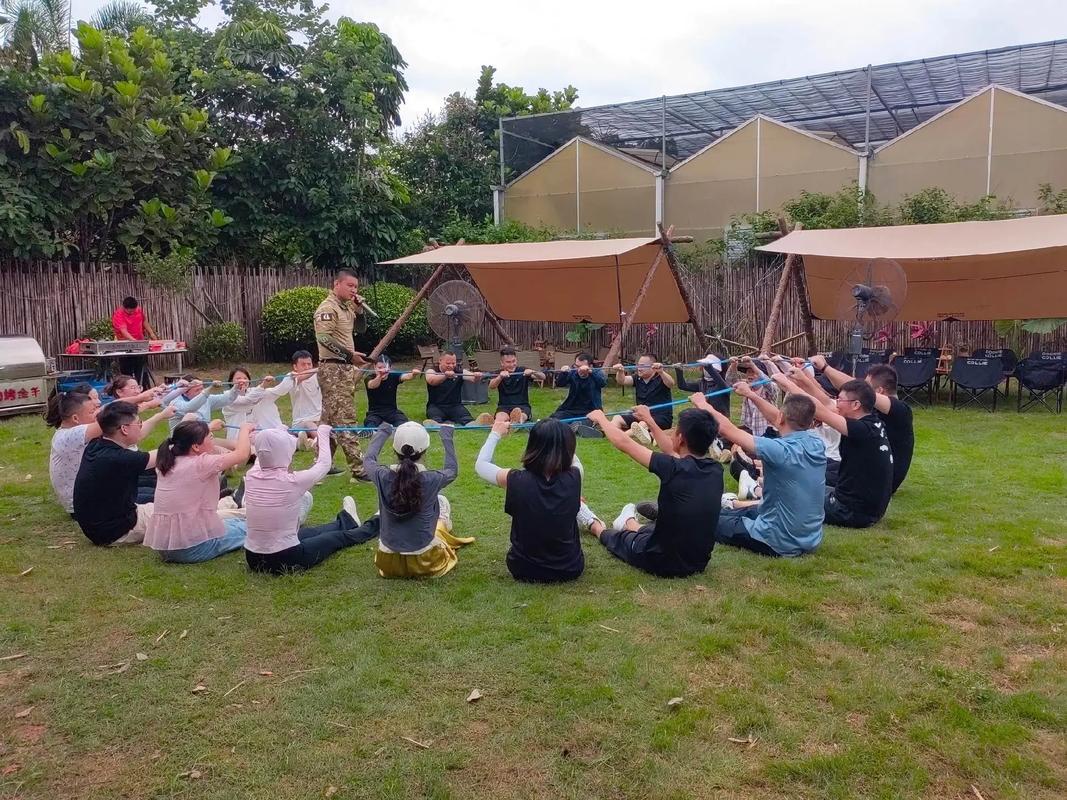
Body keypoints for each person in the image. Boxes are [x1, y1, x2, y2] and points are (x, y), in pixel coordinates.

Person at [578, 405, 723, 578]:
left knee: (619, 539)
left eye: (675, 431)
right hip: (699, 561)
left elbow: (623, 443)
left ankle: (598, 527)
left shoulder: (672, 467)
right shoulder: (716, 470)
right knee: (653, 530)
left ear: (681, 438)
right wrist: (649, 421)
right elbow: (671, 450)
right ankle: (629, 522)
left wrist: (601, 418)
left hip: (660, 561)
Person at [694, 389, 825, 557]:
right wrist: (752, 394)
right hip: (810, 538)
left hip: (776, 540)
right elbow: (781, 418)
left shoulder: (780, 450)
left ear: (781, 418)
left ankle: (672, 512)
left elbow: (728, 430)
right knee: (725, 512)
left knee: (702, 520)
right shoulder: (817, 443)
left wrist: (702, 404)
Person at [243, 425, 379, 574]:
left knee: (312, 532)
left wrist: (278, 431)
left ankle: (348, 521)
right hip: (286, 559)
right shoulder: (292, 481)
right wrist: (322, 432)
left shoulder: (251, 475)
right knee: (337, 539)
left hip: (252, 558)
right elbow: (324, 465)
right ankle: (377, 522)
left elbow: (264, 453)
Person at [772, 371, 892, 529]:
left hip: (852, 511)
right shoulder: (872, 423)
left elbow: (817, 409)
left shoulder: (861, 430)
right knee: (802, 485)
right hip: (867, 507)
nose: (836, 403)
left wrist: (787, 384)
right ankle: (759, 485)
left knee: (790, 494)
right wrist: (803, 379)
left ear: (856, 405)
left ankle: (753, 491)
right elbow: (825, 404)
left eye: (840, 400)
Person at [475, 415, 585, 583]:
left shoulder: (516, 479)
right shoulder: (576, 475)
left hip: (523, 568)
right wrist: (555, 436)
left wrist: (495, 433)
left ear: (533, 446)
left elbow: (481, 465)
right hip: (569, 567)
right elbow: (572, 458)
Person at [364, 421, 474, 578]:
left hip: (387, 562)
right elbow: (451, 471)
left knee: (439, 502)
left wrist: (383, 432)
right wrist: (446, 437)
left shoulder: (382, 476)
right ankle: (443, 524)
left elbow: (368, 460)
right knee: (441, 502)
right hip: (425, 560)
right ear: (425, 450)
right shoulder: (432, 479)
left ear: (395, 450)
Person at [144, 420, 253, 563]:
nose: (213, 440)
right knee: (254, 528)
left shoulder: (167, 461)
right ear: (195, 446)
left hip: (166, 546)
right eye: (210, 437)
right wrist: (245, 429)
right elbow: (242, 454)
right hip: (192, 547)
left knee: (234, 522)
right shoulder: (200, 464)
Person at [72, 401, 174, 545]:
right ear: (124, 429)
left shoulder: (96, 445)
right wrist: (189, 434)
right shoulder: (119, 458)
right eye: (139, 423)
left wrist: (159, 416)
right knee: (184, 516)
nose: (140, 427)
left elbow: (139, 436)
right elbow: (164, 454)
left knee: (172, 503)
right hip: (119, 530)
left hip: (100, 526)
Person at [809, 356, 914, 493]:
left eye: (866, 386)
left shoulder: (901, 411)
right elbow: (831, 401)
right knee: (818, 462)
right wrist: (800, 378)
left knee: (810, 475)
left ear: (879, 391)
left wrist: (825, 367)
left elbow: (854, 390)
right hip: (863, 468)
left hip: (877, 480)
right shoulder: (872, 412)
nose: (860, 389)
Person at [313, 269, 369, 482]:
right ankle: (359, 468)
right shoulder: (327, 308)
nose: (354, 290)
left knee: (329, 419)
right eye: (350, 286)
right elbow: (323, 337)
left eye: (356, 287)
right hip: (332, 368)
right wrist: (349, 355)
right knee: (345, 417)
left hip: (343, 368)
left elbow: (361, 330)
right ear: (337, 284)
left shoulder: (346, 308)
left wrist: (360, 310)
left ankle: (321, 464)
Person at [47, 390, 103, 515]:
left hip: (87, 498)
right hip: (84, 505)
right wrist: (143, 402)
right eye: (92, 412)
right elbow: (112, 421)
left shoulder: (67, 431)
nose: (97, 414)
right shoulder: (72, 435)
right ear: (75, 418)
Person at [610, 355, 675, 445]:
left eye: (642, 366)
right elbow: (622, 381)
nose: (639, 368)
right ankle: (611, 434)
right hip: (641, 416)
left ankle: (622, 438)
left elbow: (671, 383)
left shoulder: (661, 378)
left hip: (661, 418)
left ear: (652, 367)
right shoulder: (638, 378)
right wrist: (620, 371)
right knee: (617, 418)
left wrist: (661, 372)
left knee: (643, 423)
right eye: (638, 365)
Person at [424, 351, 487, 426]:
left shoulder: (459, 371)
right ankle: (437, 425)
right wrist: (445, 376)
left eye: (453, 363)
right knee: (434, 417)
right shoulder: (431, 371)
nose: (451, 366)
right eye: (448, 363)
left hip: (455, 406)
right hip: (436, 406)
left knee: (466, 418)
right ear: (440, 361)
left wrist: (477, 376)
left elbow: (472, 378)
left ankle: (477, 423)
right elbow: (431, 380)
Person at [550, 352, 606, 436]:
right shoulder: (573, 373)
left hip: (590, 410)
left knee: (584, 421)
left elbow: (602, 383)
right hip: (571, 409)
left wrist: (590, 372)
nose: (579, 369)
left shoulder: (596, 373)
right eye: (577, 366)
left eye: (581, 367)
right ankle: (566, 427)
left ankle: (575, 427)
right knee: (555, 418)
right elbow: (560, 383)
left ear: (590, 366)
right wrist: (563, 373)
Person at [725, 356, 779, 437]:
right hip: (750, 429)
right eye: (748, 372)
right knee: (727, 438)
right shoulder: (746, 386)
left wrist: (752, 365)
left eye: (753, 372)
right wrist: (733, 365)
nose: (750, 375)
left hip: (768, 432)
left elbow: (768, 383)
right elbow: (731, 381)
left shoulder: (769, 390)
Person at [489, 346, 544, 423]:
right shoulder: (499, 373)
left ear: (516, 360)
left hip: (522, 406)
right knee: (500, 418)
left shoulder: (522, 370)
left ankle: (515, 421)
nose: (512, 364)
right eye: (508, 362)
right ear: (502, 363)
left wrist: (533, 372)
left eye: (513, 361)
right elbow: (492, 386)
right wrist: (500, 377)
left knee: (522, 416)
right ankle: (500, 422)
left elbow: (543, 377)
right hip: (504, 407)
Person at [111, 296, 157, 388]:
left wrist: (151, 333)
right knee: (126, 371)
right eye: (130, 311)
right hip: (125, 346)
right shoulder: (119, 315)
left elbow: (144, 322)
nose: (132, 312)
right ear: (124, 308)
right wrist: (135, 342)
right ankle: (128, 390)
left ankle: (145, 389)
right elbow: (124, 331)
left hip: (140, 345)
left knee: (141, 369)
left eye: (133, 310)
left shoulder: (138, 310)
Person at [364, 354, 419, 428]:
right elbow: (372, 385)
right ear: (374, 367)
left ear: (390, 368)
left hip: (391, 411)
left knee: (402, 420)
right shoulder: (369, 378)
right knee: (370, 422)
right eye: (379, 367)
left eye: (385, 367)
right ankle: (370, 431)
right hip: (375, 412)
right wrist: (380, 375)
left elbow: (406, 376)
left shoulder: (393, 376)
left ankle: (395, 430)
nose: (382, 369)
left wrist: (413, 374)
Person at [163, 376, 237, 431]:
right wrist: (210, 389)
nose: (201, 392)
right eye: (197, 390)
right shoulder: (175, 402)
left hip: (204, 440)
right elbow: (189, 408)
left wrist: (237, 387)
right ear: (185, 392)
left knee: (234, 446)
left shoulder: (206, 398)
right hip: (182, 444)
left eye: (202, 389)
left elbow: (228, 399)